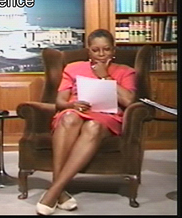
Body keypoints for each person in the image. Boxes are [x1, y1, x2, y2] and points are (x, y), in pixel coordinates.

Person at [36, 29, 136, 215]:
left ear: (113, 50)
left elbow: (129, 102)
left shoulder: (125, 71)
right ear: (88, 50)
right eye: (95, 50)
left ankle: (54, 191)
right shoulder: (73, 68)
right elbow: (60, 102)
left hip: (106, 117)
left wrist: (105, 76)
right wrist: (72, 104)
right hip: (76, 112)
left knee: (93, 126)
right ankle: (60, 191)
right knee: (68, 117)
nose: (100, 54)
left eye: (106, 49)